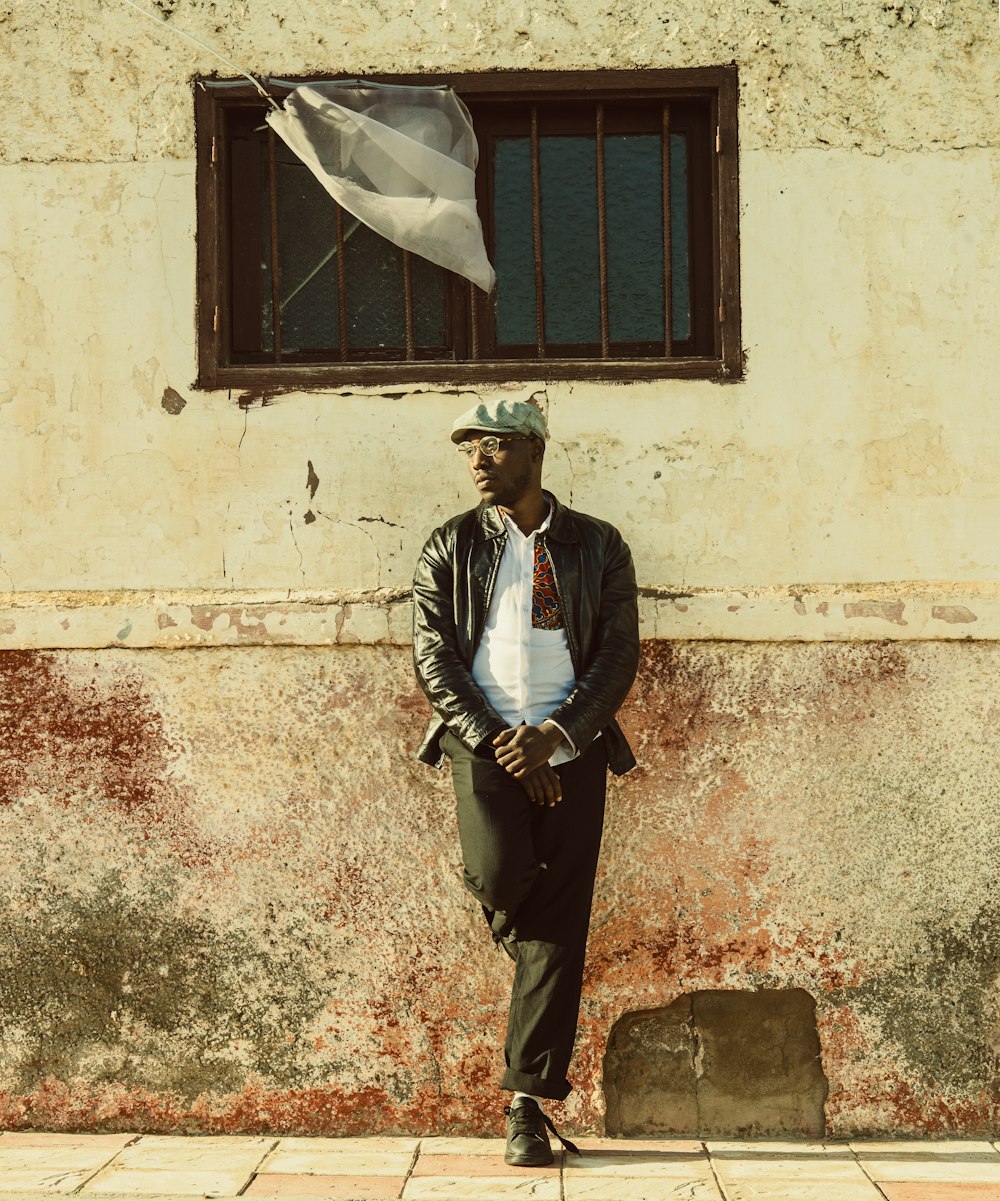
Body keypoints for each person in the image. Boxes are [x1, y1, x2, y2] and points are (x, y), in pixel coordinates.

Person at [412, 398, 640, 1167]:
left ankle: (526, 1104)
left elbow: (616, 657)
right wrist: (504, 744)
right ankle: (538, 987)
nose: (477, 459)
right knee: (502, 879)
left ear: (534, 451)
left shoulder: (598, 546)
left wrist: (557, 737)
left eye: (494, 445)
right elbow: (434, 657)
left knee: (560, 925)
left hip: (569, 747)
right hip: (484, 746)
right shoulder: (449, 547)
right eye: (469, 447)